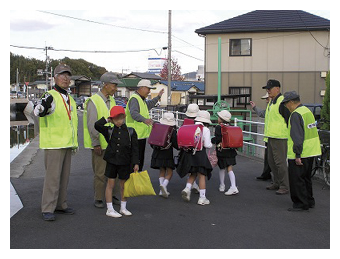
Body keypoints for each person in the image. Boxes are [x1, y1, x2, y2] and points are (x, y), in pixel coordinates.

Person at [34, 64, 78, 221]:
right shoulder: (50, 95)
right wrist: (41, 108)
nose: (65, 78)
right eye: (62, 75)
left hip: (67, 143)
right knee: (52, 178)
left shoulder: (69, 98)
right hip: (54, 144)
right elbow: (41, 109)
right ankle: (47, 207)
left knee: (64, 177)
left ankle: (61, 204)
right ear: (55, 78)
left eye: (68, 75)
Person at [83, 72, 122, 208]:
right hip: (100, 144)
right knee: (100, 172)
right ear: (105, 85)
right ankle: (98, 198)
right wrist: (96, 143)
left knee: (115, 171)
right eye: (114, 85)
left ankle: (114, 195)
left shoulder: (113, 100)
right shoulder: (94, 101)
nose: (115, 88)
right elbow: (92, 124)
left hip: (113, 143)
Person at [94, 106, 139, 218]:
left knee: (124, 185)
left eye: (120, 118)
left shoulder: (131, 132)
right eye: (116, 119)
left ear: (124, 117)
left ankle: (123, 207)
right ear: (112, 119)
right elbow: (97, 125)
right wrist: (108, 119)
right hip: (112, 161)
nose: (119, 121)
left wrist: (136, 163)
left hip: (125, 161)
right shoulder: (109, 130)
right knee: (110, 184)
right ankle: (110, 209)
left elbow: (135, 149)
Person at [281, 91, 321, 212]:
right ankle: (309, 200)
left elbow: (297, 137)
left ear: (292, 102)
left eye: (286, 103)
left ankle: (300, 203)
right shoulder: (307, 111)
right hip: (311, 150)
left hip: (300, 153)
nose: (285, 106)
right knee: (306, 178)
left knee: (297, 180)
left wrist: (297, 154)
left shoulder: (296, 114)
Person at [125, 79, 164, 171]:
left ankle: (135, 180)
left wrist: (158, 96)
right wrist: (145, 120)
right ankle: (133, 181)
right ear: (142, 88)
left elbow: (149, 104)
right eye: (148, 89)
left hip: (139, 135)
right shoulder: (135, 99)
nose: (149, 91)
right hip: (134, 135)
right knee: (136, 161)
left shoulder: (141, 99)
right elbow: (134, 113)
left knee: (138, 160)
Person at [177, 110, 213, 205]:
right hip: (200, 155)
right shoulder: (205, 129)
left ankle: (187, 188)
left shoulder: (189, 126)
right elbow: (208, 145)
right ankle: (202, 198)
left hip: (189, 154)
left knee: (193, 173)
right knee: (202, 175)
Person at [262, 79, 291, 195]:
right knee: (271, 161)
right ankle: (277, 182)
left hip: (280, 137)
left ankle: (284, 185)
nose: (268, 91)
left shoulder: (282, 102)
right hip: (271, 136)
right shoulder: (272, 102)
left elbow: (289, 119)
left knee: (280, 162)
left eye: (270, 88)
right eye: (267, 89)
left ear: (277, 89)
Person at [150, 112, 178, 198]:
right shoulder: (172, 130)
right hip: (167, 153)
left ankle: (161, 189)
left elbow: (152, 142)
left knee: (162, 170)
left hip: (157, 153)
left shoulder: (157, 128)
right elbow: (175, 144)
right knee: (169, 172)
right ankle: (164, 186)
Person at [211, 110, 239, 195]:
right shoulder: (231, 127)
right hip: (231, 150)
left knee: (222, 168)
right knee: (230, 168)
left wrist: (212, 140)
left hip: (222, 151)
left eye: (219, 117)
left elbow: (218, 139)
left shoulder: (219, 127)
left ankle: (223, 185)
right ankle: (233, 185)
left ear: (221, 119)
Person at [250, 93, 272, 181]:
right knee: (269, 157)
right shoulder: (271, 107)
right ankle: (267, 174)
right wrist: (255, 107)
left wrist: (255, 107)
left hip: (274, 136)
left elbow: (263, 114)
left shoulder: (274, 107)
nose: (266, 101)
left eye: (267, 98)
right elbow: (263, 113)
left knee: (273, 159)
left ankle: (278, 180)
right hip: (271, 135)